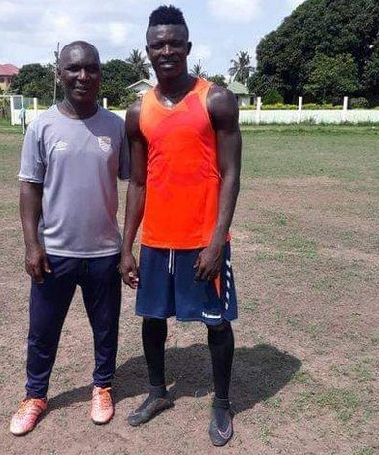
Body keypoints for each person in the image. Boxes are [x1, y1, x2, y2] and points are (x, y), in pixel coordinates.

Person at [119, 5, 241, 447]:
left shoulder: (216, 99)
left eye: (174, 43)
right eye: (157, 44)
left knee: (217, 324)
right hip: (157, 241)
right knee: (152, 319)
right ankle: (156, 392)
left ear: (187, 47)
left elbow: (231, 175)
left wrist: (216, 241)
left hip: (202, 241)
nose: (166, 50)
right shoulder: (138, 112)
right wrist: (126, 245)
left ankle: (223, 403)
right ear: (148, 51)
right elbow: (138, 181)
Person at [9, 41, 130, 436]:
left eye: (91, 68)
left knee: (106, 327)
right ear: (59, 73)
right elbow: (29, 188)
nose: (83, 76)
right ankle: (35, 395)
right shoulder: (41, 126)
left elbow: (136, 181)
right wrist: (32, 244)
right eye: (74, 69)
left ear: (100, 73)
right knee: (42, 330)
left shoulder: (115, 126)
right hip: (54, 253)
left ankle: (102, 386)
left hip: (104, 253)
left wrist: (128, 245)